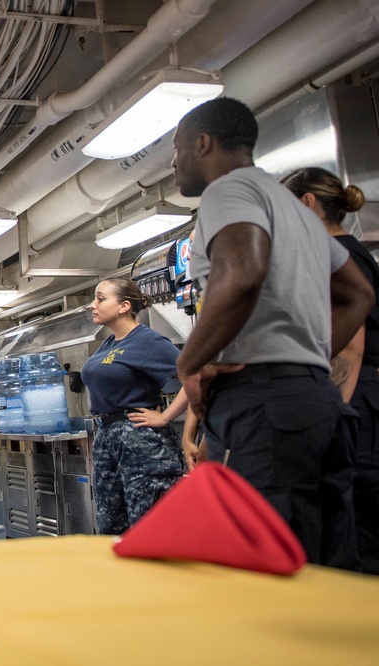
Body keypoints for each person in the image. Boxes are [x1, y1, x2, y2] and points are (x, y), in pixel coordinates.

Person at [172, 97, 372, 569]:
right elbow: (359, 295)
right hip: (317, 404)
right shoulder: (295, 209)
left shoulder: (228, 190)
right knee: (329, 569)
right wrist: (308, 353)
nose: (174, 163)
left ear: (203, 144)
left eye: (178, 149)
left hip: (263, 409)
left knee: (264, 571)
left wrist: (190, 362)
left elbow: (243, 270)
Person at [281, 167, 379, 574]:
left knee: (354, 536)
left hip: (353, 402)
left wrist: (327, 421)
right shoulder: (353, 253)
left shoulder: (331, 257)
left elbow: (350, 348)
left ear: (307, 204)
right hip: (361, 401)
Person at [80, 278, 189, 534]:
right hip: (107, 437)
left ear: (124, 306)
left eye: (100, 298)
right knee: (111, 523)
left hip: (140, 440)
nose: (92, 305)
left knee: (149, 524)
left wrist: (165, 418)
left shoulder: (149, 341)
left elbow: (195, 379)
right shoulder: (110, 343)